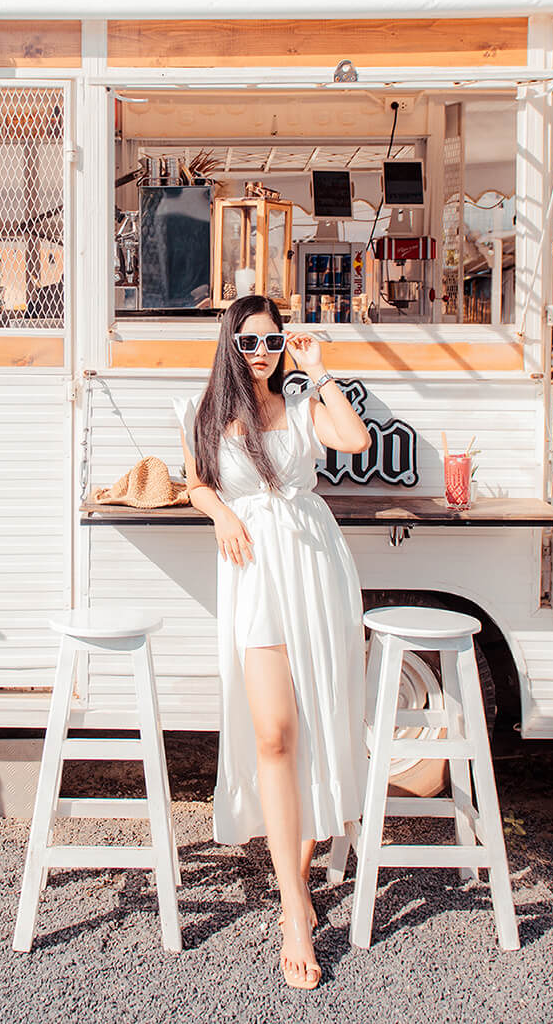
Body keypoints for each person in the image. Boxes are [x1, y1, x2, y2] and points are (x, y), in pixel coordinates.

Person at [174, 295, 372, 990]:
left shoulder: (300, 398)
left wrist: (319, 370)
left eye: (272, 340)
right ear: (230, 343)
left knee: (317, 722)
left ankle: (296, 895)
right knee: (274, 735)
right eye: (249, 341)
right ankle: (295, 900)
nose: (261, 352)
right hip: (255, 575)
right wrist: (221, 512)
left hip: (315, 568)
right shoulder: (203, 413)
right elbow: (196, 482)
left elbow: (356, 442)